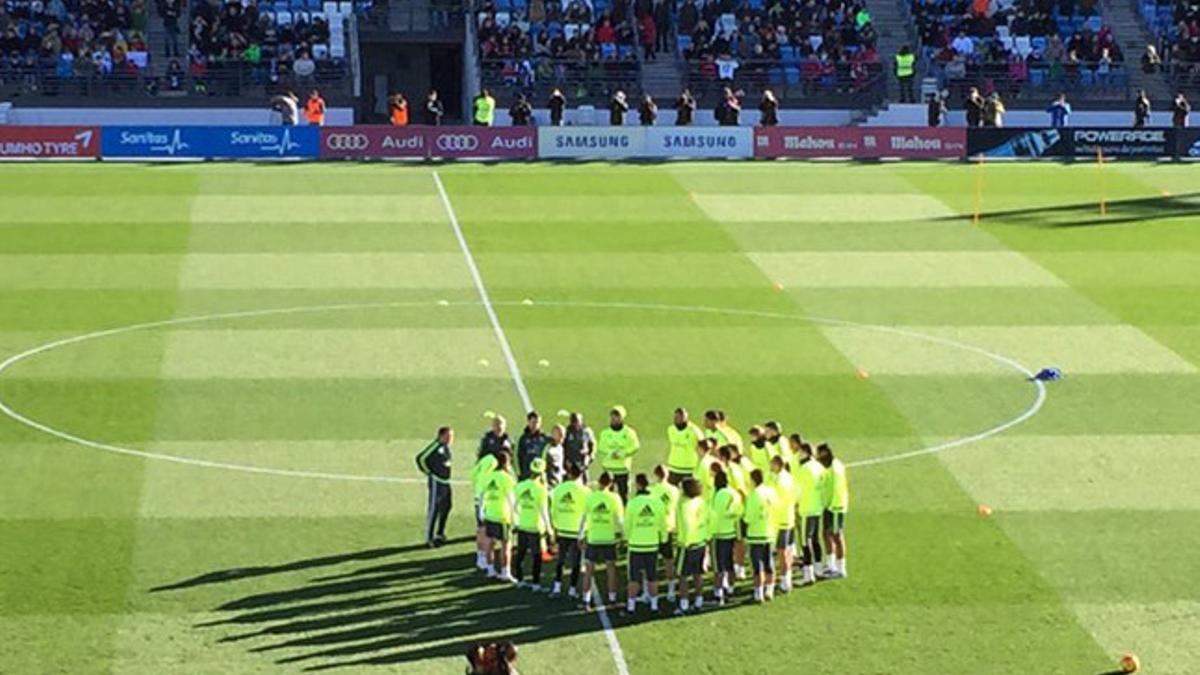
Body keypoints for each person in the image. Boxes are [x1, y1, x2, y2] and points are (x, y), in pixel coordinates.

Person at [580, 472, 625, 610]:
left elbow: (583, 518)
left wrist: (580, 536)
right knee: (611, 569)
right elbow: (620, 520)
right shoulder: (615, 498)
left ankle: (586, 600)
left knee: (589, 570)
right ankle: (612, 599)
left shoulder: (591, 497)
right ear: (611, 483)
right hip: (608, 539)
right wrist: (624, 536)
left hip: (593, 538)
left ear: (599, 482)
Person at [624, 473, 666, 614]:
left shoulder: (632, 503)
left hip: (636, 545)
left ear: (638, 484)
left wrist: (628, 539)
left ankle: (631, 607)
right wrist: (663, 539)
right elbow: (662, 525)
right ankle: (654, 606)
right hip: (652, 544)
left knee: (633, 577)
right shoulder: (658, 503)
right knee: (652, 576)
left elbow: (627, 526)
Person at [550, 461, 590, 598]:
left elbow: (553, 509)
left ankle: (557, 587)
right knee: (576, 562)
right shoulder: (585, 492)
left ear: (569, 473)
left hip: (562, 529)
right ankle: (572, 589)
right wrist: (585, 531)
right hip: (577, 532)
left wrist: (554, 527)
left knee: (560, 560)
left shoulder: (559, 489)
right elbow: (587, 514)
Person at [789, 435, 825, 586]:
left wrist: (794, 504)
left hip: (806, 508)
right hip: (817, 508)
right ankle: (818, 569)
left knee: (805, 542)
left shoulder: (804, 469)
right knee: (815, 540)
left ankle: (808, 575)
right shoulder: (819, 467)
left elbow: (798, 489)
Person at [512, 458, 552, 590]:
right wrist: (549, 528)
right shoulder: (541, 490)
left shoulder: (521, 486)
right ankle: (536, 583)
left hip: (522, 525)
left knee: (521, 554)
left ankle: (519, 579)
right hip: (536, 527)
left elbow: (515, 506)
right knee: (537, 556)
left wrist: (516, 521)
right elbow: (544, 511)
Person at [480, 451, 518, 581]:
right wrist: (515, 516)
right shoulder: (507, 478)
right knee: (506, 545)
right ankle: (505, 572)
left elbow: (482, 495)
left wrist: (482, 511)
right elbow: (511, 499)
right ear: (507, 462)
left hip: (490, 514)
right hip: (503, 516)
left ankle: (490, 569)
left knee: (489, 543)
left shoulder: (488, 476)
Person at [673, 477, 709, 614]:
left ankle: (684, 604)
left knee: (682, 575)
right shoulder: (701, 502)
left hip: (687, 545)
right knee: (698, 574)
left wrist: (686, 542)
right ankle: (699, 600)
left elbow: (687, 524)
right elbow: (708, 519)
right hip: (700, 542)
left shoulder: (683, 505)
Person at [416, 426, 454, 547]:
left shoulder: (446, 448)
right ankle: (429, 537)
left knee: (447, 506)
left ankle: (440, 533)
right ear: (441, 436)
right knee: (434, 509)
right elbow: (421, 458)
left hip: (446, 482)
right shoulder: (435, 446)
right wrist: (429, 472)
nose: (451, 439)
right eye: (448, 436)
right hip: (437, 482)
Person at [708, 469, 742, 605]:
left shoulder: (718, 495)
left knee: (718, 567)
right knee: (729, 563)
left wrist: (709, 533)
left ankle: (718, 594)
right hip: (731, 533)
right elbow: (739, 512)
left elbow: (714, 515)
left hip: (719, 534)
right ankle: (731, 590)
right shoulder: (734, 493)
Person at [647, 465, 681, 600]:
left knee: (650, 562)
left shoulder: (651, 490)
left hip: (654, 529)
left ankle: (648, 593)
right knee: (669, 561)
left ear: (656, 475)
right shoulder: (674, 490)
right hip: (669, 527)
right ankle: (671, 591)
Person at [743, 468, 777, 602]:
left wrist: (745, 520)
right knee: (769, 562)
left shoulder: (754, 495)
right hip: (769, 532)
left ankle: (759, 593)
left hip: (756, 533)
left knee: (758, 565)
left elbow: (749, 517)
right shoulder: (770, 492)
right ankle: (770, 590)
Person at [817, 443, 849, 579]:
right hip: (828, 506)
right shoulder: (830, 466)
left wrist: (831, 506)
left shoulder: (835, 469)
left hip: (835, 507)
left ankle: (841, 568)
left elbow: (837, 490)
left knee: (836, 535)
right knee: (825, 533)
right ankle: (831, 564)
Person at [597, 406, 640, 502]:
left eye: (617, 416)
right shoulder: (605, 433)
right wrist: (611, 453)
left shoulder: (629, 432)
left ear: (622, 418)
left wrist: (623, 454)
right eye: (612, 416)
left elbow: (635, 446)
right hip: (608, 469)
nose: (614, 418)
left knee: (623, 495)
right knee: (606, 496)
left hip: (622, 469)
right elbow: (601, 447)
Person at [768, 455, 797, 592]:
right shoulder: (788, 477)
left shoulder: (780, 481)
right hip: (789, 518)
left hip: (781, 520)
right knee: (788, 550)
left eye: (772, 464)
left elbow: (777, 501)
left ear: (778, 465)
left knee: (782, 551)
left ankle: (785, 580)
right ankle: (787, 578)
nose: (770, 467)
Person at [471, 450, 500, 570]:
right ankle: (484, 558)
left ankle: (480, 556)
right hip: (486, 500)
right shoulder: (492, 462)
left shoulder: (482, 462)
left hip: (478, 498)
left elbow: (473, 474)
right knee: (486, 531)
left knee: (481, 529)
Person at [666, 407, 703, 484]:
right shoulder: (671, 429)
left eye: (680, 417)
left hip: (689, 468)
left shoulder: (694, 431)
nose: (677, 419)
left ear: (686, 417)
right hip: (673, 467)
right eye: (675, 417)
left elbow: (703, 445)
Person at [563, 412, 596, 483]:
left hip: (582, 463)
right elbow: (563, 446)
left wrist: (590, 458)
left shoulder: (587, 431)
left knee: (584, 483)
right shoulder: (567, 432)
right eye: (573, 422)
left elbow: (592, 445)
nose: (575, 424)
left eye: (577, 421)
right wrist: (565, 460)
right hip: (570, 464)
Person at [516, 411, 548, 479]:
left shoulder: (544, 438)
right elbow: (518, 456)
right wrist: (519, 472)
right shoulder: (523, 438)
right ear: (528, 422)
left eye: (537, 422)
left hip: (540, 474)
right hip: (526, 473)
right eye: (533, 422)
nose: (535, 425)